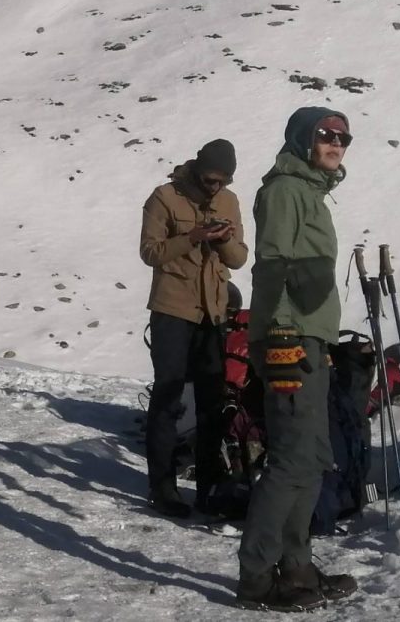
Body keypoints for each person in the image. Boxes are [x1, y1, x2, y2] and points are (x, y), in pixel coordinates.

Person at [235, 108, 360, 611]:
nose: (336, 143)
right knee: (289, 462)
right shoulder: (285, 190)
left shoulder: (309, 191)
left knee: (310, 460)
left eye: (343, 137)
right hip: (291, 337)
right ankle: (256, 578)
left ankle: (297, 568)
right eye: (325, 135)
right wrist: (283, 337)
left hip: (310, 337)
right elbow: (272, 266)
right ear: (301, 140)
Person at [139, 139, 248, 518]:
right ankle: (162, 486)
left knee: (212, 404)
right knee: (168, 398)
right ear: (197, 169)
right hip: (172, 309)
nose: (215, 187)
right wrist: (193, 238)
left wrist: (224, 240)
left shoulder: (229, 201)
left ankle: (209, 486)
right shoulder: (164, 197)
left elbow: (240, 259)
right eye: (210, 179)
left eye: (223, 181)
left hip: (213, 314)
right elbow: (150, 252)